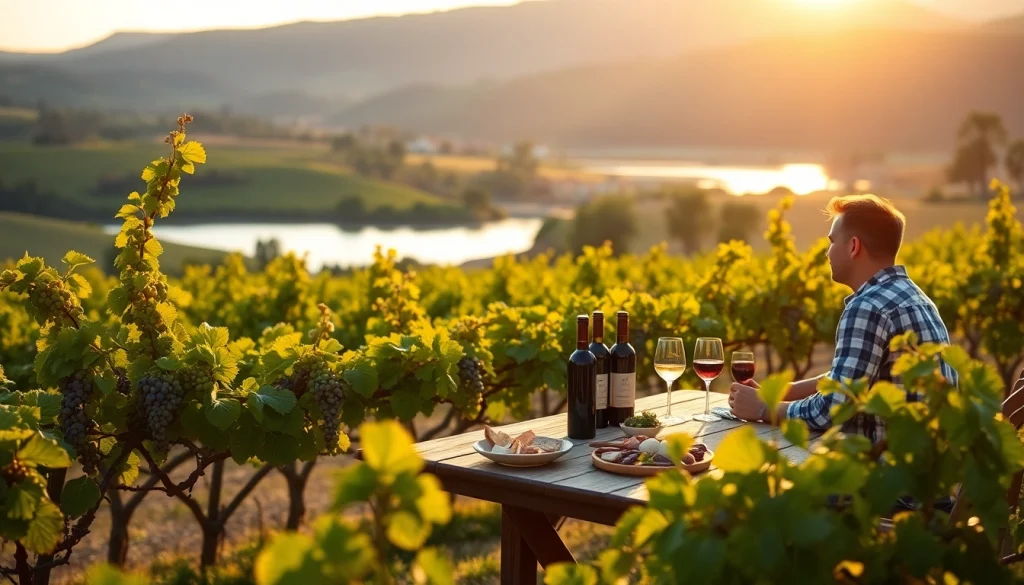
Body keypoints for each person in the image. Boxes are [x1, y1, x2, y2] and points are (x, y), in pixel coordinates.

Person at [728, 194, 958, 445]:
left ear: (853, 246)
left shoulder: (868, 306)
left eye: (832, 241)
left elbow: (832, 409)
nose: (827, 252)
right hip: (932, 468)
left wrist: (765, 409)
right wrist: (784, 391)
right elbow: (850, 375)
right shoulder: (915, 297)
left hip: (885, 473)